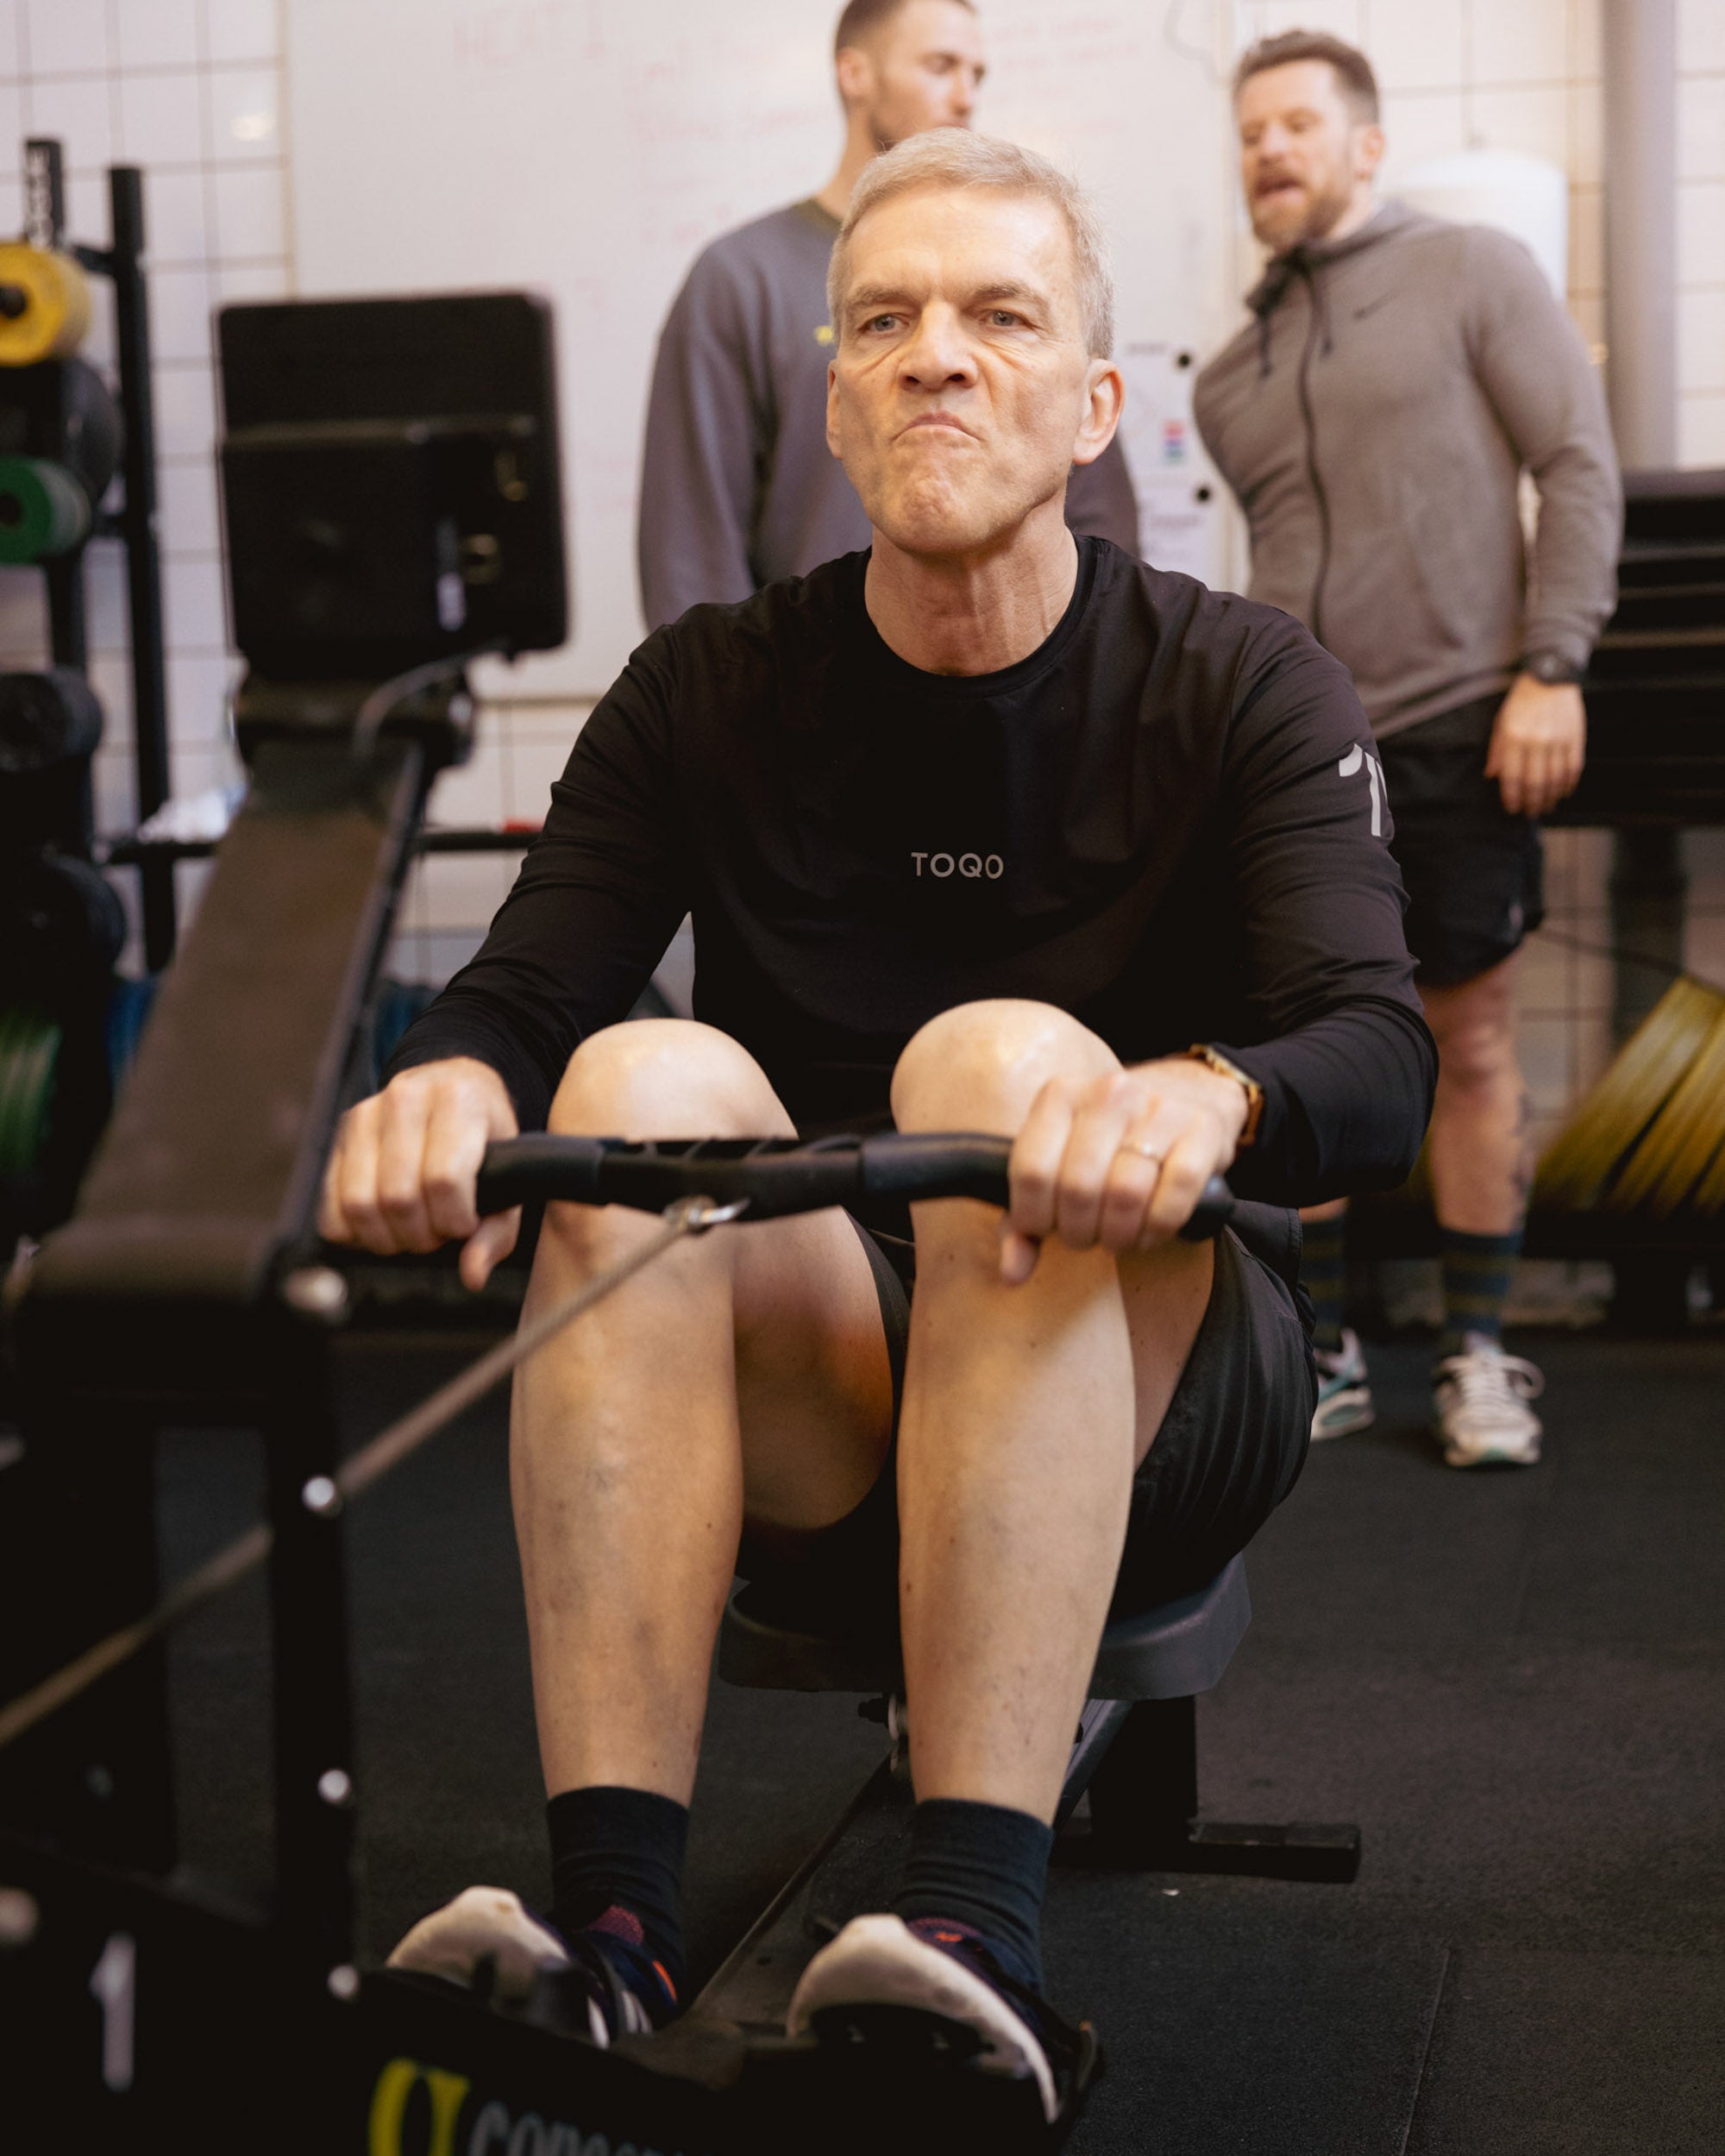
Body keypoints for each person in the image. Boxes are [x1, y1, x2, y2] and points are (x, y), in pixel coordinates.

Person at [323, 133, 1433, 2122]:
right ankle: (611, 1932)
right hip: (833, 1379)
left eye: (1001, 315)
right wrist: (446, 1082)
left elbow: (1377, 1054)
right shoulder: (706, 687)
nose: (937, 354)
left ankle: (975, 1930)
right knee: (630, 1088)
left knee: (996, 1066)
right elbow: (523, 990)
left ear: (1093, 404)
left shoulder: (1241, 680)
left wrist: (1202, 1091)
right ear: (835, 401)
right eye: (886, 322)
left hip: (1161, 1377)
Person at [1194, 30, 1621, 1469]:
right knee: (1302, 1044)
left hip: (1456, 721)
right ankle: (1320, 1354)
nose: (1269, 149)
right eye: (1252, 131)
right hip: (1294, 750)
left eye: (1298, 124)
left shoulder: (1472, 270)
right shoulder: (1233, 373)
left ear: (1367, 145)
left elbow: (1577, 464)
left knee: (1473, 1039)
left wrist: (1553, 666)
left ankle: (1478, 1355)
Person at [637, 0, 1139, 632]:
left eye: (976, 74)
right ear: (855, 74)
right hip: (807, 680)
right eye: (940, 66)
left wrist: (1084, 667)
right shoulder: (741, 278)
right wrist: (734, 686)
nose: (965, 96)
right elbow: (690, 544)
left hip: (1021, 678)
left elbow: (1094, 507)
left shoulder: (1027, 267)